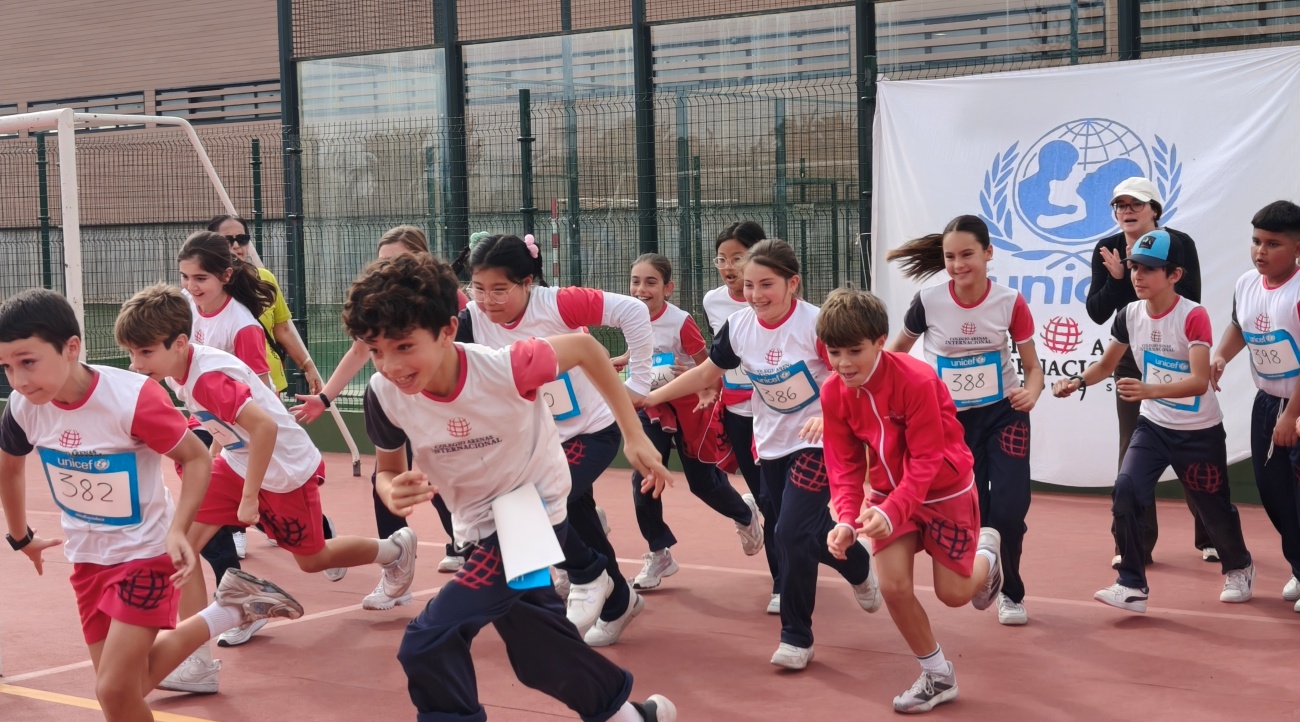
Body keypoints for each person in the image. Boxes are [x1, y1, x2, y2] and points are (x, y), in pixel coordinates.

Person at [349, 252, 678, 722]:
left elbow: (587, 351)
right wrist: (388, 488)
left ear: (446, 330)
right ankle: (628, 716)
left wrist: (633, 434)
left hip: (531, 512)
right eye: (376, 350)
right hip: (477, 525)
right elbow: (387, 468)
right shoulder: (383, 395)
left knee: (428, 641)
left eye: (403, 346)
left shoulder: (506, 366)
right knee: (540, 655)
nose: (391, 365)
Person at [0, 288, 303, 722]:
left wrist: (179, 529)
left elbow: (197, 458)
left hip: (145, 553)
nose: (19, 380)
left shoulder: (132, 397)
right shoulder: (23, 407)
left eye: (28, 362)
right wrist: (20, 536)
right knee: (128, 688)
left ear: (71, 348)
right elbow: (8, 468)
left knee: (113, 689)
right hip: (86, 558)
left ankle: (230, 608)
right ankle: (230, 609)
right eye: (7, 368)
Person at [115, 284, 419, 693]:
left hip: (283, 468)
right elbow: (223, 422)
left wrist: (248, 497)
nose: (136, 363)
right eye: (132, 353)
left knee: (312, 560)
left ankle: (394, 549)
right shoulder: (178, 371)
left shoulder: (207, 378)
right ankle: (198, 662)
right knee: (182, 551)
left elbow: (265, 427)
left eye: (145, 352)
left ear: (180, 342)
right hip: (241, 460)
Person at [644, 239, 880, 671]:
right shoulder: (738, 327)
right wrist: (649, 397)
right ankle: (858, 564)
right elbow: (705, 372)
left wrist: (832, 418)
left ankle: (796, 636)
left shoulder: (817, 325)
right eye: (749, 285)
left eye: (766, 284)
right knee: (803, 528)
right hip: (768, 443)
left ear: (794, 283)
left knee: (788, 531)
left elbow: (853, 373)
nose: (755, 295)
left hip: (816, 443)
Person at [454, 233, 653, 646]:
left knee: (540, 506)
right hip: (536, 440)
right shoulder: (471, 318)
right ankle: (619, 603)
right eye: (478, 288)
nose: (487, 300)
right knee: (575, 515)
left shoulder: (558, 303)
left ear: (528, 282)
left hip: (591, 431)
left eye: (499, 290)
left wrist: (640, 382)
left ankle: (586, 575)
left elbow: (633, 311)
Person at [818, 288, 1004, 714]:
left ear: (880, 341)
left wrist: (889, 510)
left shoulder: (917, 380)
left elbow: (925, 461)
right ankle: (938, 675)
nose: (844, 364)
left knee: (955, 595)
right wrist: (847, 519)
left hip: (945, 490)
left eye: (854, 351)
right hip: (887, 496)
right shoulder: (833, 392)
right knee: (894, 586)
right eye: (834, 352)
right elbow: (843, 466)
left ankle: (988, 555)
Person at [1056, 230, 1254, 612]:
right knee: (1127, 490)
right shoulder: (1129, 314)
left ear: (1174, 274)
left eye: (1149, 269)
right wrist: (1078, 380)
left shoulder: (1192, 315)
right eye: (1134, 267)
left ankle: (1239, 566)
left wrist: (1148, 390)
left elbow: (1199, 382)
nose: (1137, 275)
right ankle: (1131, 583)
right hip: (1153, 427)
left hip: (1198, 432)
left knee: (1213, 508)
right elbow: (1106, 365)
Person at [291, 225, 466, 611]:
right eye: (382, 261)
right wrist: (324, 397)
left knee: (443, 473)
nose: (386, 269)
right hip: (402, 401)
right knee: (388, 476)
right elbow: (358, 352)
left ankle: (469, 543)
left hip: (445, 404)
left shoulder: (449, 303)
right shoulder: (379, 318)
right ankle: (397, 562)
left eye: (397, 261)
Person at [885, 215, 1044, 626]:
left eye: (967, 255)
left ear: (989, 254)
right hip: (949, 423)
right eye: (950, 257)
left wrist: (1033, 391)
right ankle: (989, 572)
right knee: (979, 506)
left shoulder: (1010, 302)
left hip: (1004, 414)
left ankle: (1012, 593)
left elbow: (1033, 367)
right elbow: (895, 354)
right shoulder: (930, 301)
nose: (958, 265)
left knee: (1009, 509)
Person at [1086, 177, 1211, 567]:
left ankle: (1211, 535)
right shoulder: (1106, 248)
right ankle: (1133, 543)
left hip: (1176, 355)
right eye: (1120, 205)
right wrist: (1118, 280)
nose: (1126, 211)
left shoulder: (1180, 244)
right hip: (1130, 359)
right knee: (1132, 449)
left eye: (1135, 205)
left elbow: (1188, 299)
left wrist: (1133, 280)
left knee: (1191, 445)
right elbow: (1098, 311)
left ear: (1154, 209)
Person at [619, 253, 763, 591]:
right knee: (645, 475)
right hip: (649, 407)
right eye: (636, 281)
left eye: (651, 282)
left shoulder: (681, 321)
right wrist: (620, 360)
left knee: (703, 483)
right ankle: (659, 553)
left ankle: (744, 514)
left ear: (667, 288)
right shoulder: (629, 317)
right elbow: (641, 353)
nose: (641, 289)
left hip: (688, 405)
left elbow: (708, 366)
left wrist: (703, 392)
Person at [1211, 200, 1300, 611]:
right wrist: (1219, 356)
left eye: (1273, 244)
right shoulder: (1247, 283)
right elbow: (1239, 327)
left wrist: (1293, 414)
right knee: (1272, 492)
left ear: (1297, 248)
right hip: (1267, 403)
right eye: (1256, 241)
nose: (1260, 251)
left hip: (1295, 406)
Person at [703, 221, 781, 612]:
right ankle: (782, 583)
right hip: (739, 414)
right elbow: (717, 360)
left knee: (787, 506)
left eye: (737, 258)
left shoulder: (778, 301)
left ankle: (845, 554)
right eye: (722, 259)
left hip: (782, 415)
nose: (729, 267)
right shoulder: (713, 302)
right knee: (768, 502)